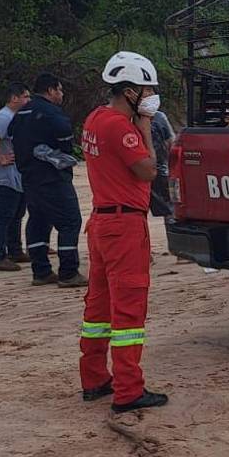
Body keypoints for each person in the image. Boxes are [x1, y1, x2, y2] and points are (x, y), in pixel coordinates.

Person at [79, 51, 169, 412]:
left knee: (98, 309)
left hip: (101, 221)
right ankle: (129, 391)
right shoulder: (121, 127)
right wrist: (146, 126)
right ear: (129, 91)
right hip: (124, 225)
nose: (150, 97)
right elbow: (148, 170)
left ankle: (95, 378)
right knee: (129, 310)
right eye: (147, 91)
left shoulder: (94, 119)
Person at [10, 73, 87, 288]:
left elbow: (11, 135)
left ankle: (41, 270)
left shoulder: (21, 112)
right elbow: (65, 144)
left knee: (38, 221)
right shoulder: (52, 114)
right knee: (70, 221)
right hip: (53, 178)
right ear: (51, 90)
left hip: (28, 178)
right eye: (60, 90)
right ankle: (69, 272)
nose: (61, 94)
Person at [0, 82, 31, 272]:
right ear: (15, 98)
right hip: (5, 177)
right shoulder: (4, 117)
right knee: (4, 215)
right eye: (26, 97)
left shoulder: (14, 116)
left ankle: (15, 250)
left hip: (16, 176)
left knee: (17, 213)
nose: (29, 100)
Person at [148, 110, 175, 219]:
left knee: (167, 209)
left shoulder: (159, 117)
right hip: (145, 170)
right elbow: (171, 142)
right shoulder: (125, 119)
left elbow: (171, 142)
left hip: (158, 172)